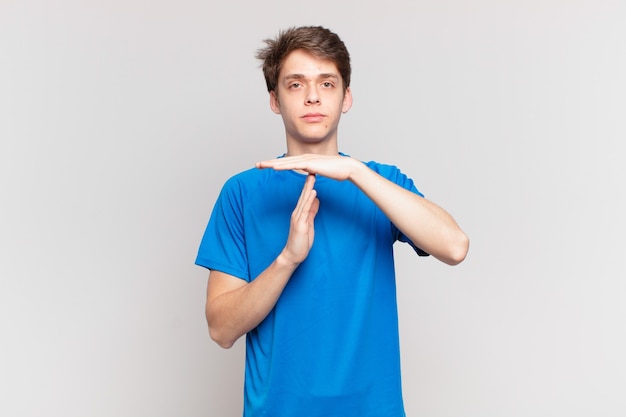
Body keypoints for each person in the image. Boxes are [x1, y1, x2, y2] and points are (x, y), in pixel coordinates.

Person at [195, 26, 469, 417]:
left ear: (346, 97)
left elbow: (455, 246)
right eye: (295, 84)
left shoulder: (380, 183)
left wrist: (354, 172)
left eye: (327, 83)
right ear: (275, 100)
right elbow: (221, 330)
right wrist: (287, 259)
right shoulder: (242, 193)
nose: (312, 96)